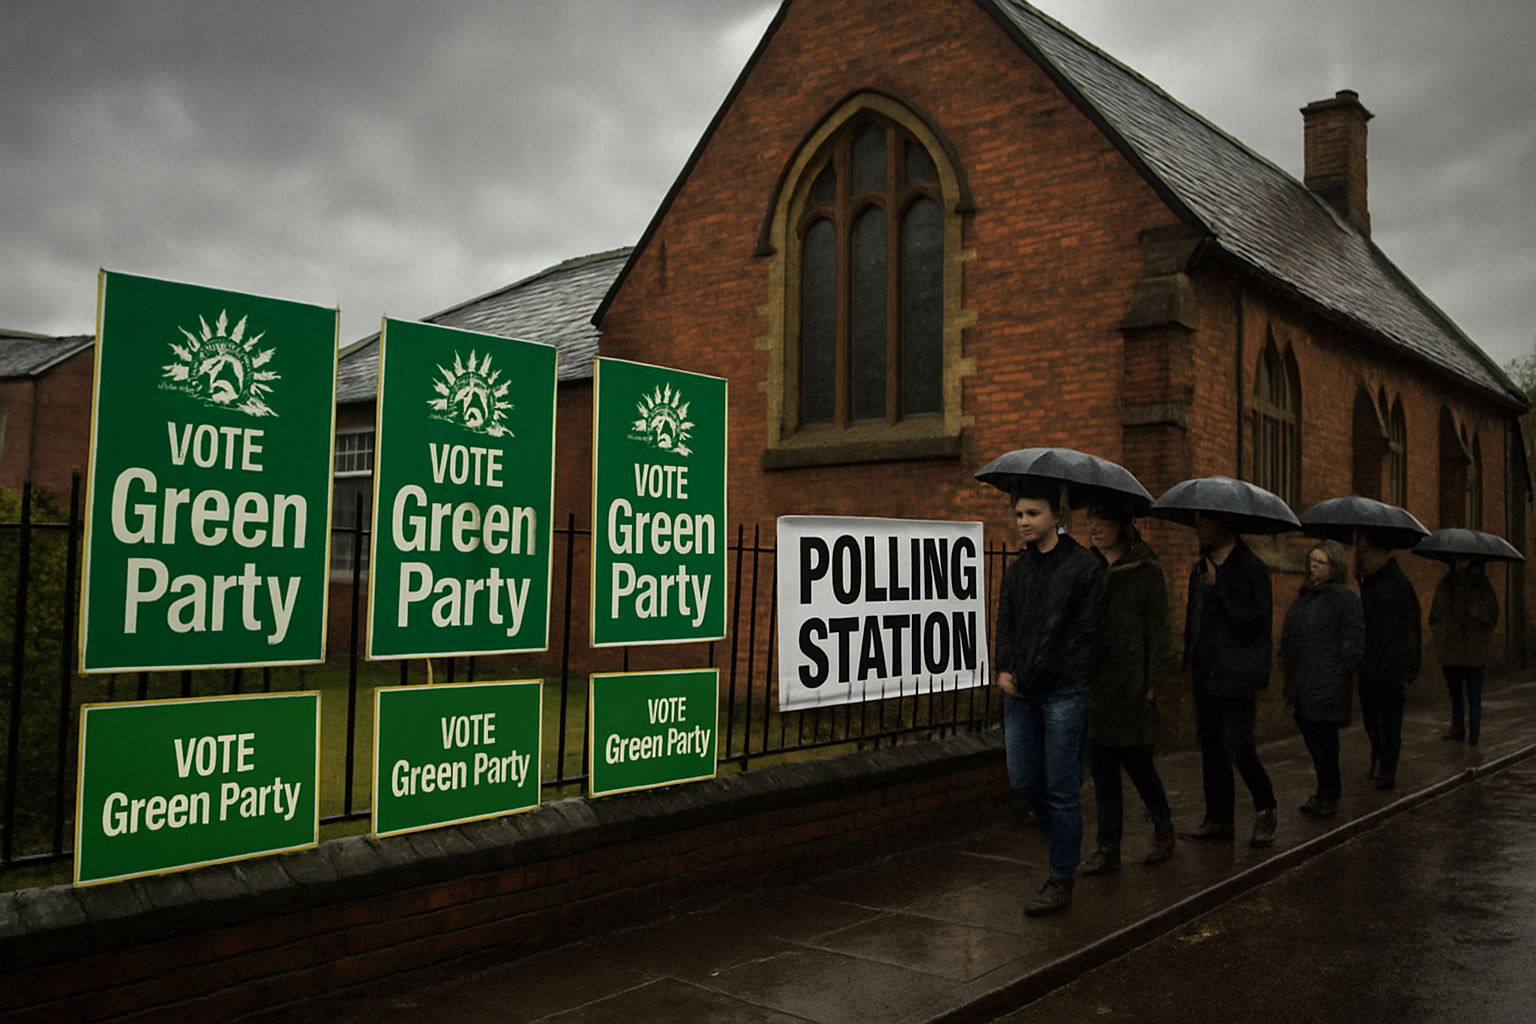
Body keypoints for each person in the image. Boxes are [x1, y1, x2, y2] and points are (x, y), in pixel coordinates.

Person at [994, 481, 1107, 917]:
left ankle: (1061, 878)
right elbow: (1006, 619)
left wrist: (1044, 673)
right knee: (1023, 780)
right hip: (1020, 692)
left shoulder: (1084, 568)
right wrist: (1005, 667)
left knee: (1062, 791)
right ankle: (1064, 842)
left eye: (1033, 514)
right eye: (1019, 514)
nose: (1024, 522)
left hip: (1063, 693)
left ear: (1056, 516)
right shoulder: (1018, 568)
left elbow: (1087, 638)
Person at [1079, 503, 1177, 874]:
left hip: (1133, 683)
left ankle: (1163, 826)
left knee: (1138, 764)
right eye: (1091, 519)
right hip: (1096, 684)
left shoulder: (1145, 570)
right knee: (1102, 771)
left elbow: (1159, 630)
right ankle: (1108, 847)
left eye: (1103, 520)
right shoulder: (1088, 567)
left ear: (1123, 524)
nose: (1095, 527)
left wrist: (1152, 682)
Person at [1184, 513, 1279, 847]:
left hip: (1237, 673)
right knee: (1210, 747)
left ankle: (1266, 808)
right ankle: (1218, 817)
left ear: (1224, 524)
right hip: (1206, 671)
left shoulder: (1250, 567)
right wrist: (1188, 659)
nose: (1199, 526)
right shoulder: (1202, 566)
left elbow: (1257, 622)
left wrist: (1219, 587)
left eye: (1204, 521)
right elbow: (1193, 617)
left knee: (1238, 745)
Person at [1280, 540, 1364, 817]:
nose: (1313, 565)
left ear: (1334, 567)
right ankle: (1323, 789)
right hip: (1303, 680)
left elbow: (1352, 638)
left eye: (1320, 561)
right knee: (1311, 736)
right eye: (1312, 560)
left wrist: (1341, 669)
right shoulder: (1305, 595)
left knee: (1325, 741)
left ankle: (1330, 793)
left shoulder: (1344, 597)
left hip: (1328, 681)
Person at [1354, 531, 1421, 789]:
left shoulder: (1397, 585)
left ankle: (1388, 766)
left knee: (1389, 721)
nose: (1363, 558)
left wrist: (1408, 665)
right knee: (1371, 720)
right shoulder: (1370, 582)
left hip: (1391, 664)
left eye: (1367, 552)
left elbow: (1410, 627)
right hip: (1370, 663)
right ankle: (1381, 757)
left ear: (1382, 553)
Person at [1428, 558, 1499, 745]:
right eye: (1459, 559)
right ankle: (1457, 726)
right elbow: (1436, 613)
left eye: (1465, 559)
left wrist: (1477, 617)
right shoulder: (1447, 583)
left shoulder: (1481, 584)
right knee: (1455, 692)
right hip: (1451, 647)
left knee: (1474, 693)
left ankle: (1474, 732)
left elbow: (1492, 613)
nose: (1462, 563)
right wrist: (1441, 632)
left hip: (1474, 649)